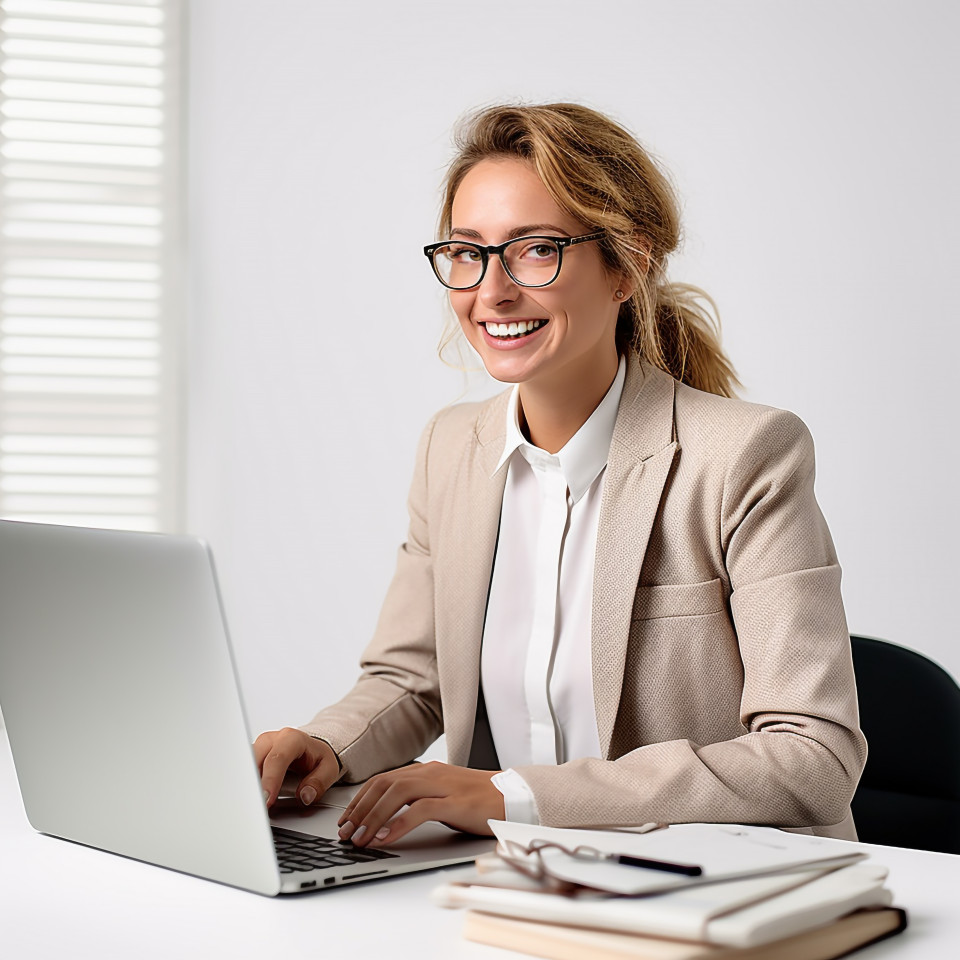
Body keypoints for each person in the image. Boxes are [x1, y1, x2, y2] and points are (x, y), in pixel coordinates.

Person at [255, 102, 866, 850]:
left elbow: (813, 759)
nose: (491, 291)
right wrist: (328, 747)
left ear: (628, 265)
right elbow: (414, 681)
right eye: (466, 252)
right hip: (518, 881)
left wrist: (512, 796)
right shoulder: (451, 448)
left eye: (535, 250)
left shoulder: (744, 455)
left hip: (710, 884)